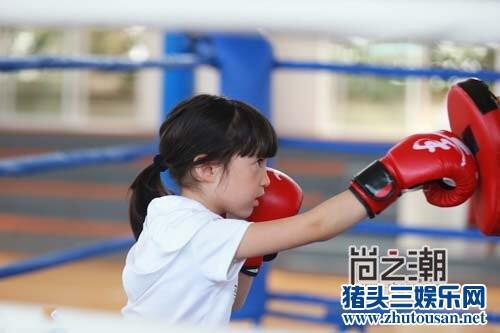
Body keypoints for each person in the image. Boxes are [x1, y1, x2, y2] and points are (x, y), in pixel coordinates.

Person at [121, 94, 477, 325]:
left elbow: (232, 304)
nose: (266, 179)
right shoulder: (195, 231)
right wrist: (391, 176)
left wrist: (257, 254)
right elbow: (314, 226)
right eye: (257, 162)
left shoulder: (181, 218)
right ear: (207, 168)